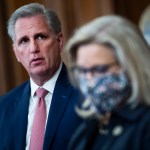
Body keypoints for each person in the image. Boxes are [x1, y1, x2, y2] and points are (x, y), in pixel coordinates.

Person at [0, 3, 82, 150]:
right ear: (16, 53)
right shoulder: (4, 107)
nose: (33, 48)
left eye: (40, 37)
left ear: (59, 41)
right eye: (24, 41)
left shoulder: (85, 93)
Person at [65, 15, 150, 150]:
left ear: (130, 65)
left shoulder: (145, 125)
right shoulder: (86, 129)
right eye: (82, 71)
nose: (89, 80)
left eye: (99, 69)